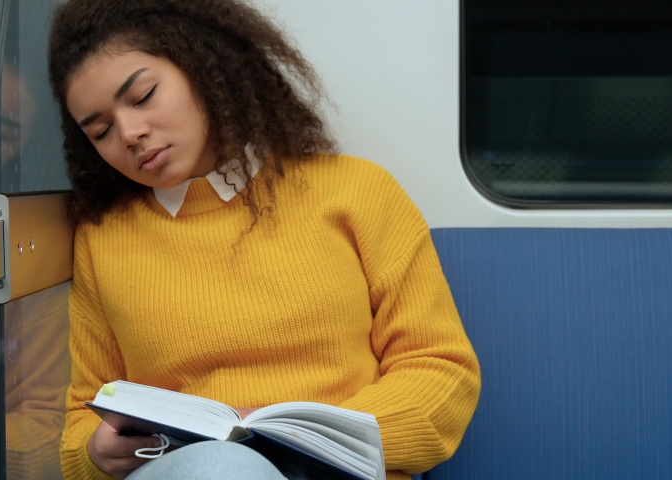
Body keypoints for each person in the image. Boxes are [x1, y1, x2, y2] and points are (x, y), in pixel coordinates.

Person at [48, 0, 481, 479]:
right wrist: (94, 454)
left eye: (144, 95)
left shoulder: (356, 192)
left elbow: (441, 370)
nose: (130, 134)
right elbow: (82, 418)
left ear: (203, 64)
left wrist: (322, 443)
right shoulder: (103, 239)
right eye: (101, 131)